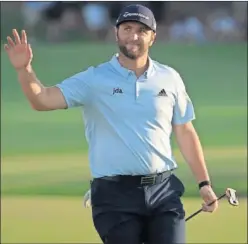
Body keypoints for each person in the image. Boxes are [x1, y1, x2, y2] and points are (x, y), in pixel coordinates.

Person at [4, 4, 218, 244]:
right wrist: (25, 69)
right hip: (114, 196)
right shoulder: (95, 79)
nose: (134, 36)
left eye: (141, 30)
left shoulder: (170, 78)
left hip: (163, 191)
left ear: (153, 37)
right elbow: (42, 99)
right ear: (117, 33)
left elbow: (185, 131)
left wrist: (204, 183)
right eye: (127, 28)